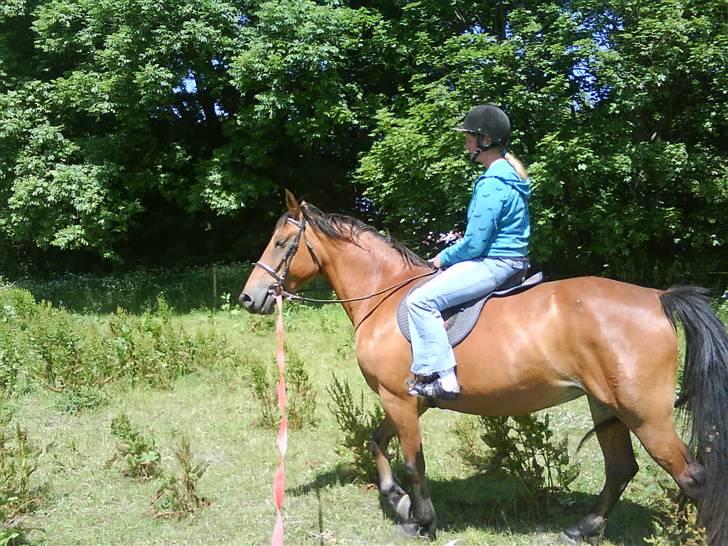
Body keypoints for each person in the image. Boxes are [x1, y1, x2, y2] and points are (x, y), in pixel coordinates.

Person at [406, 104, 531, 400]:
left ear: (485, 141)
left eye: (470, 137)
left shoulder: (492, 183)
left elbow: (476, 244)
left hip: (494, 263)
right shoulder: (510, 176)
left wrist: (442, 258)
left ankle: (444, 377)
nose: (466, 143)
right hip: (510, 260)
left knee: (420, 301)